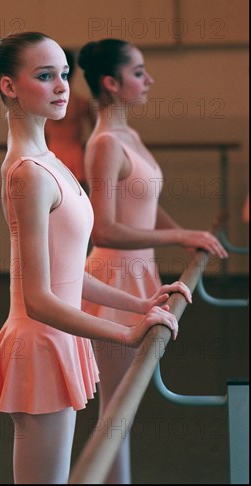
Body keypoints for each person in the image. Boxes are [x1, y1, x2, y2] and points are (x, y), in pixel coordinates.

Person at [0, 32, 192, 485]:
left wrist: (142, 303)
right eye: (43, 76)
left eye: (62, 74)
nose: (60, 86)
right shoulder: (27, 174)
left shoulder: (49, 159)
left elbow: (68, 274)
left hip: (58, 335)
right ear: (8, 86)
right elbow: (38, 298)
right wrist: (126, 332)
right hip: (40, 342)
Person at [78, 38, 228, 484]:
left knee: (128, 405)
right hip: (113, 274)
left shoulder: (129, 135)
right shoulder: (103, 143)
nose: (149, 80)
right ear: (111, 82)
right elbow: (103, 228)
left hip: (140, 272)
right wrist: (180, 234)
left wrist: (185, 236)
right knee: (118, 406)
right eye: (139, 72)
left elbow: (144, 201)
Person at [44, 48, 96, 193]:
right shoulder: (82, 103)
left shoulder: (43, 103)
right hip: (76, 156)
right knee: (80, 203)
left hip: (51, 154)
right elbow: (96, 135)